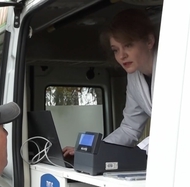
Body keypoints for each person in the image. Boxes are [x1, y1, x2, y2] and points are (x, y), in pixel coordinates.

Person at [63, 8, 157, 156]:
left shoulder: (178, 69)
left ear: (149, 41)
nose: (121, 56)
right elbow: (130, 129)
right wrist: (95, 150)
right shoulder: (134, 78)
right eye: (115, 50)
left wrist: (138, 154)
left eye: (128, 45)